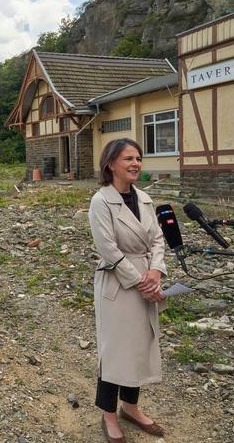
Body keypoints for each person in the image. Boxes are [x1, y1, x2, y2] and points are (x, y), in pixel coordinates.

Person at [88, 138, 167, 442]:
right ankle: (108, 414)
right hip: (119, 284)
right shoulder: (101, 201)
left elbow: (158, 239)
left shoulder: (145, 199)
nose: (135, 164)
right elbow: (107, 248)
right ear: (110, 164)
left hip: (147, 276)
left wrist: (156, 271)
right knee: (115, 351)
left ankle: (130, 407)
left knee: (139, 348)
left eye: (138, 158)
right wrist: (140, 281)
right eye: (128, 159)